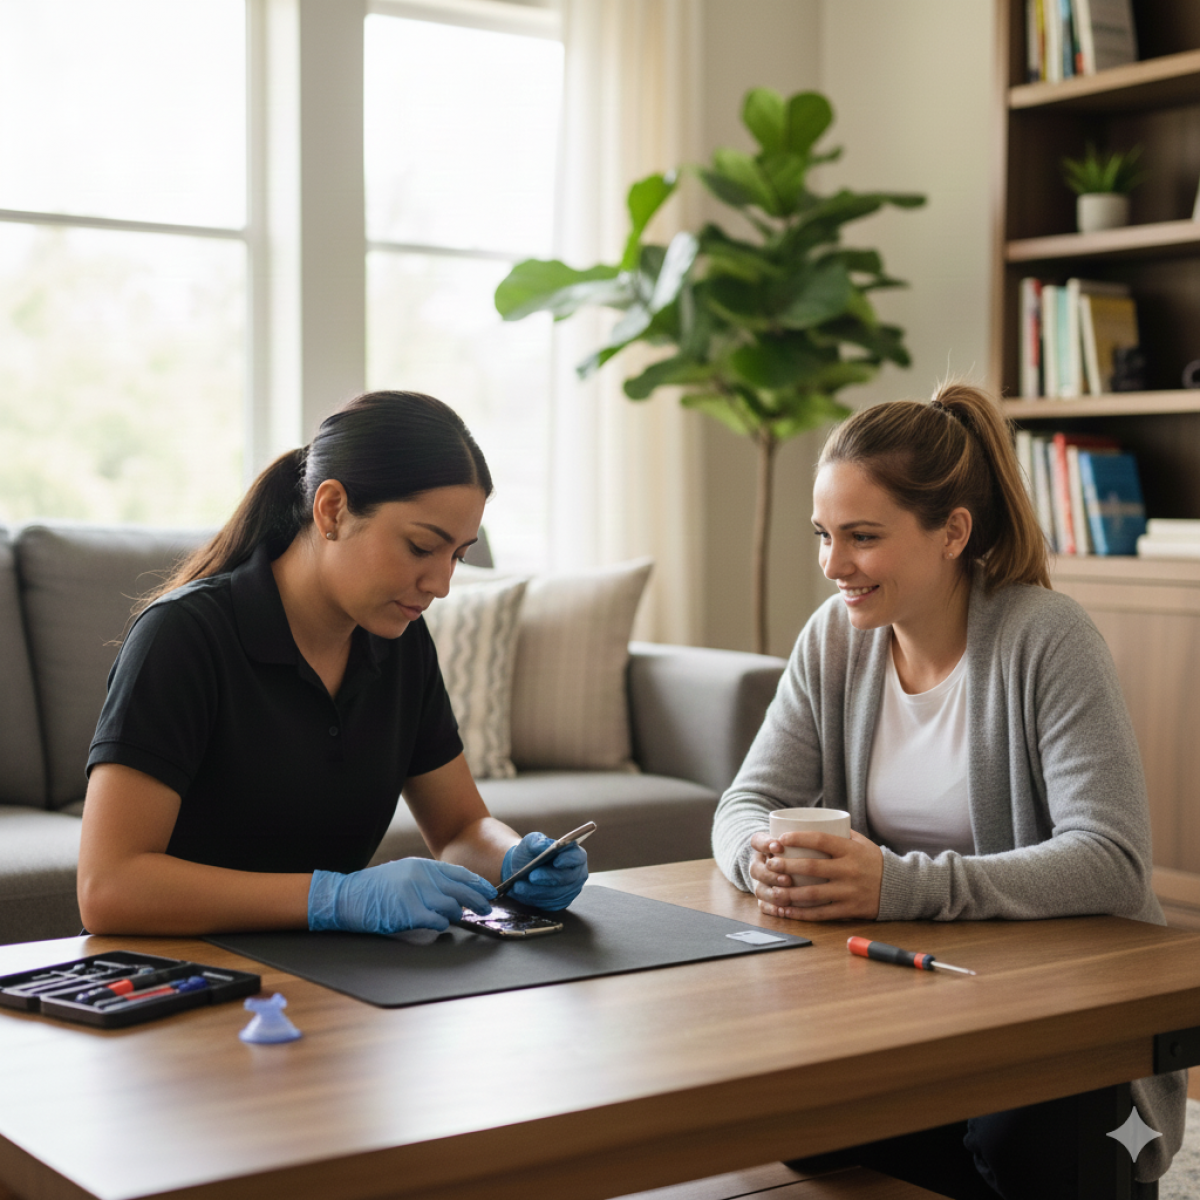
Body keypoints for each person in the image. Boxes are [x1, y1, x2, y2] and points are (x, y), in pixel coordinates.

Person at [711, 383, 1185, 1199]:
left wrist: (898, 884)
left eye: (862, 538)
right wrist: (769, 864)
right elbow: (742, 805)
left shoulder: (1046, 637)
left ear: (952, 533)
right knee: (803, 1130)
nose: (833, 567)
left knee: (1038, 1147)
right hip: (912, 994)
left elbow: (1110, 860)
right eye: (824, 536)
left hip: (1053, 1006)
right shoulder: (836, 638)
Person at [78, 390, 587, 939]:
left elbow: (461, 827)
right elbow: (109, 888)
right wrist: (334, 897)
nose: (441, 584)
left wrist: (514, 859)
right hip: (189, 976)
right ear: (332, 509)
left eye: (457, 556)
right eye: (421, 547)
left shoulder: (400, 642)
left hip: (339, 978)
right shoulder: (184, 636)